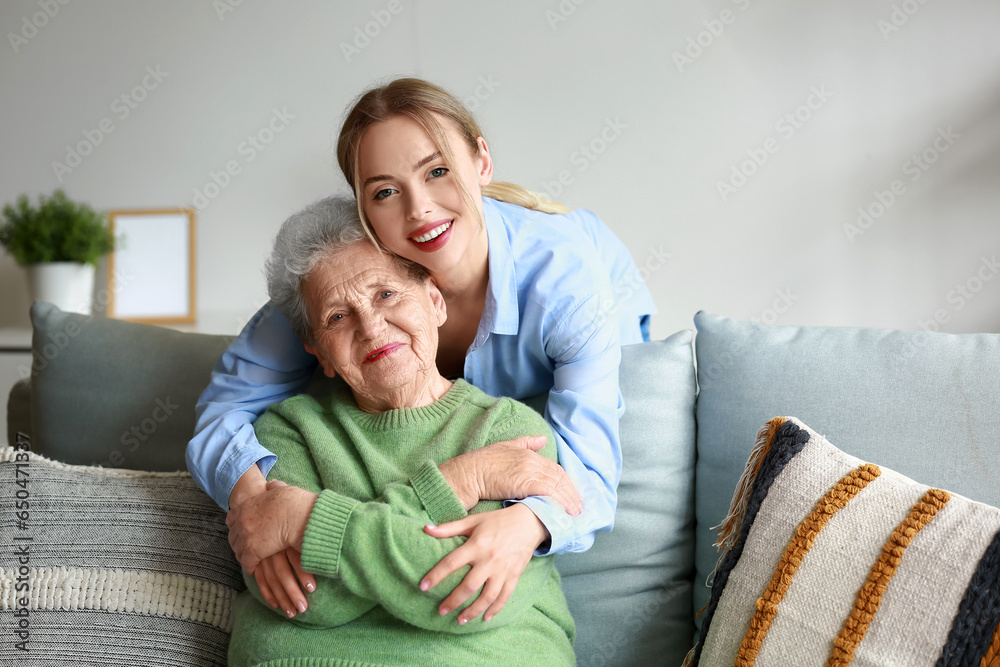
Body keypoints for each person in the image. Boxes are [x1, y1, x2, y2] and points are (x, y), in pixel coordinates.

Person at [187, 77, 656, 620]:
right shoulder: (338, 286)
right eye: (386, 192)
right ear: (361, 208)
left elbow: (590, 477)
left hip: (604, 289)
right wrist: (256, 507)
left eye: (438, 172)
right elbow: (223, 409)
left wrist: (529, 522)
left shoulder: (567, 286)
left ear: (481, 161)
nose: (420, 210)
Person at [226, 196, 575, 666]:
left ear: (434, 301)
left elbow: (462, 593)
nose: (370, 327)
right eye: (337, 317)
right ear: (320, 354)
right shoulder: (288, 432)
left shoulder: (509, 431)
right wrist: (459, 481)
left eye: (386, 294)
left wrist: (308, 519)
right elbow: (310, 600)